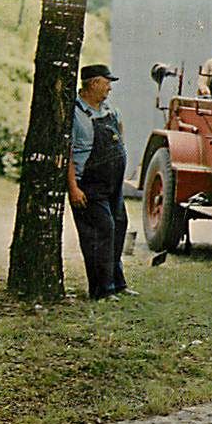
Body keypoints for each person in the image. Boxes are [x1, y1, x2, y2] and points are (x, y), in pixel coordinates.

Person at [68, 64, 138, 300]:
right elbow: (66, 154)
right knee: (101, 231)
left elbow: (120, 132)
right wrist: (73, 188)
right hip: (88, 185)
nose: (110, 87)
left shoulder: (108, 109)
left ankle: (118, 284)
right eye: (107, 82)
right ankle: (101, 290)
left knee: (118, 225)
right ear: (94, 83)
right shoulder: (75, 113)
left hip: (113, 184)